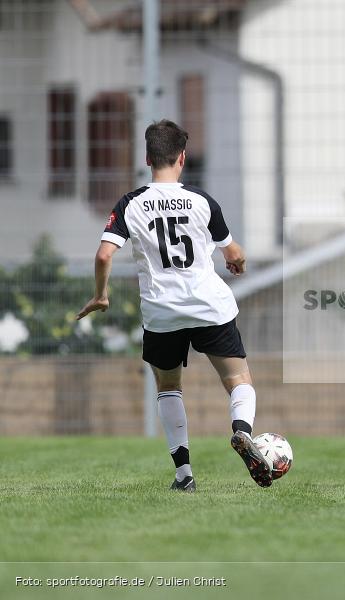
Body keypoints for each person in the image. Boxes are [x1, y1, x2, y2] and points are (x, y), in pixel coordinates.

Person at [77, 119, 272, 492]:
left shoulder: (131, 203)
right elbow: (232, 251)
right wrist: (239, 262)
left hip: (162, 311)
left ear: (148, 157)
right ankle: (243, 432)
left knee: (168, 386)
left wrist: (101, 295)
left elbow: (104, 256)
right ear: (182, 157)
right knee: (238, 380)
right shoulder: (201, 201)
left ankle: (184, 475)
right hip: (208, 306)